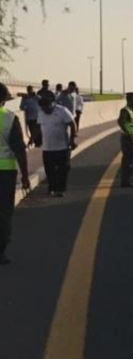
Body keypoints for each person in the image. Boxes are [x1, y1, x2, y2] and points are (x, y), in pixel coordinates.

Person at [0, 83, 31, 265]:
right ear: (4, 100)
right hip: (5, 173)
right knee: (4, 213)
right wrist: (25, 176)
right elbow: (19, 149)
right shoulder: (9, 118)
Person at [37, 91, 77, 197]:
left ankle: (60, 189)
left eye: (47, 105)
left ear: (53, 103)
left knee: (63, 169)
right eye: (43, 106)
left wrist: (72, 140)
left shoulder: (62, 111)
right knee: (49, 170)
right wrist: (35, 139)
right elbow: (39, 127)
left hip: (62, 147)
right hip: (47, 148)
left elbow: (72, 124)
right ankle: (52, 188)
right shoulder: (40, 113)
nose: (45, 108)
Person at [118, 92, 133, 188]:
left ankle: (129, 178)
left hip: (132, 138)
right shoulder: (125, 110)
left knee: (132, 160)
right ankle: (125, 181)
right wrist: (129, 133)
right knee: (128, 160)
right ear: (129, 100)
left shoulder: (131, 110)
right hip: (128, 139)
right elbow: (121, 122)